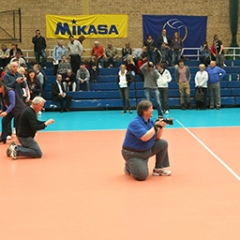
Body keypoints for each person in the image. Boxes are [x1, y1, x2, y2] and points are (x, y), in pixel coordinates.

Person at [121, 100, 171, 181]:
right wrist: (155, 127)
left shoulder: (150, 121)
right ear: (144, 111)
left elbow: (156, 138)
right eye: (151, 108)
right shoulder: (135, 123)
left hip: (146, 150)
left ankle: (158, 169)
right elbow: (145, 137)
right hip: (133, 154)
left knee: (162, 143)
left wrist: (160, 127)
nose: (153, 110)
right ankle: (129, 165)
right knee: (142, 176)